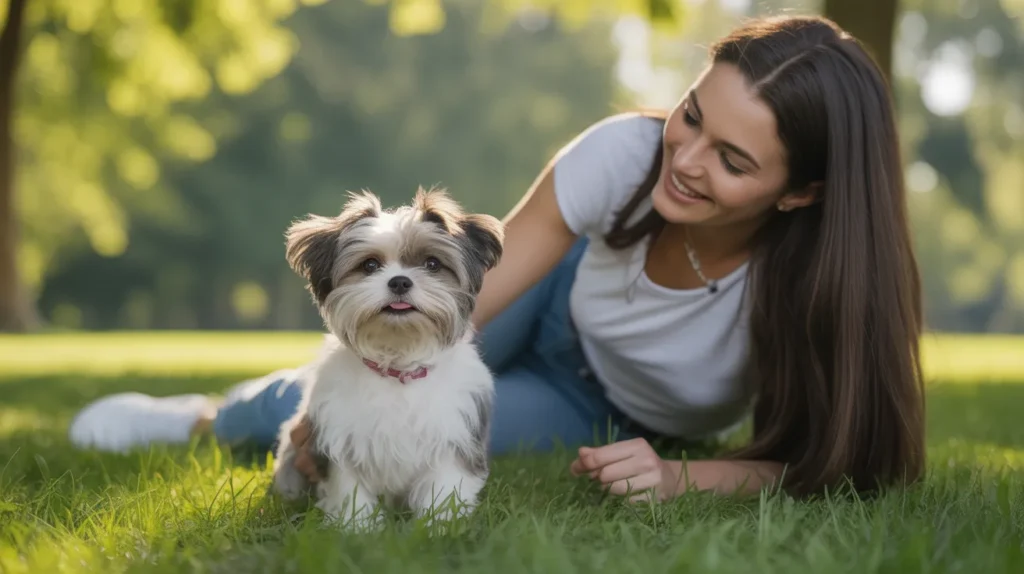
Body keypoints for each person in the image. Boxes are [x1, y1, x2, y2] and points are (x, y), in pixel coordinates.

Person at [69, 15, 926, 500]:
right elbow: (469, 297)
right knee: (322, 413)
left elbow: (840, 463)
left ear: (800, 192)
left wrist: (679, 476)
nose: (687, 160)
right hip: (537, 302)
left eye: (733, 161)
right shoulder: (624, 154)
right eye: (693, 116)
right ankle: (206, 418)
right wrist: (348, 391)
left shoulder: (820, 283)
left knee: (428, 452)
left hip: (605, 407)